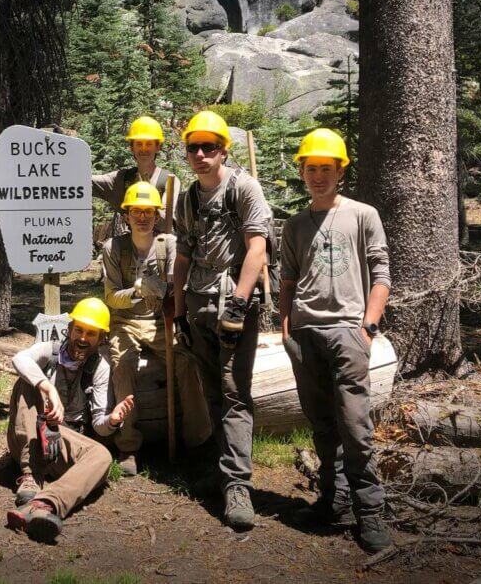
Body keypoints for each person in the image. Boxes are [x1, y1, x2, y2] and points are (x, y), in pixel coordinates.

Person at [279, 128, 392, 553]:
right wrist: (287, 329)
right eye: (312, 169)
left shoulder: (363, 215)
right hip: (305, 334)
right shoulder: (294, 224)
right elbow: (287, 280)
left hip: (349, 332)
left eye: (327, 168)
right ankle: (334, 501)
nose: (319, 176)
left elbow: (381, 273)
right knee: (323, 426)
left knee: (355, 426)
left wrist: (368, 327)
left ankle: (371, 514)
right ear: (303, 173)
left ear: (340, 170)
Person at [172, 110, 272, 530]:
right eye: (193, 147)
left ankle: (238, 485)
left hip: (233, 307)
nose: (199, 154)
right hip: (197, 306)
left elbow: (257, 249)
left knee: (234, 392)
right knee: (211, 391)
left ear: (223, 151)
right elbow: (182, 256)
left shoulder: (244, 188)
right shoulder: (188, 197)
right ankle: (222, 464)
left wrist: (239, 304)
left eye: (208, 147)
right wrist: (178, 311)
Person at [101, 182, 210, 475]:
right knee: (123, 366)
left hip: (162, 320)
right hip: (126, 322)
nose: (142, 218)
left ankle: (198, 443)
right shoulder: (113, 248)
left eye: (148, 211)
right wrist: (138, 290)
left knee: (187, 363)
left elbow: (179, 284)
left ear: (157, 215)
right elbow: (111, 296)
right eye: (136, 211)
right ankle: (128, 446)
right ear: (126, 215)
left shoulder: (168, 245)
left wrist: (168, 291)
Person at [5, 298, 134, 543]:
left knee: (103, 456)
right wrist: (47, 389)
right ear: (70, 328)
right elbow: (19, 359)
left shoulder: (100, 367)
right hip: (33, 435)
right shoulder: (48, 350)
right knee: (25, 382)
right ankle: (30, 474)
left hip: (65, 440)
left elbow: (99, 426)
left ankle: (45, 504)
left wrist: (113, 420)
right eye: (79, 330)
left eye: (91, 334)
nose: (83, 338)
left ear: (100, 339)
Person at [92, 116, 181, 235]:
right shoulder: (121, 179)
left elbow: (166, 223)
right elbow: (86, 182)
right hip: (128, 248)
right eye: (139, 144)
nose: (143, 149)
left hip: (159, 249)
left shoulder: (169, 181)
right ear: (131, 148)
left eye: (149, 144)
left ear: (158, 147)